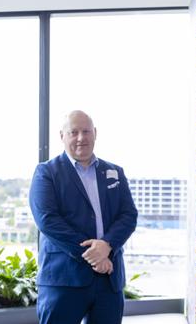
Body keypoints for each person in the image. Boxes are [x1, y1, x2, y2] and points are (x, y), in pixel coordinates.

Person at [29, 110, 138, 324]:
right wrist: (93, 255)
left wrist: (107, 246)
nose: (81, 138)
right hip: (63, 280)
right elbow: (47, 220)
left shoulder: (115, 171)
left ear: (95, 133)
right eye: (74, 132)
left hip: (109, 280)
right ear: (62, 136)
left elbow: (128, 215)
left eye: (86, 131)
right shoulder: (46, 172)